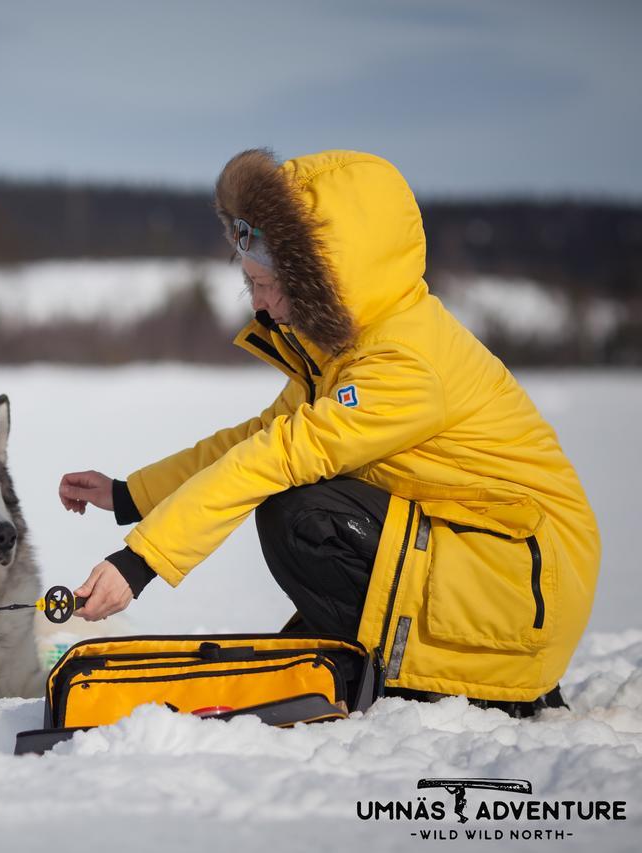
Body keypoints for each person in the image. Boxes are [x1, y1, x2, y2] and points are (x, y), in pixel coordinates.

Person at [59, 149, 598, 713]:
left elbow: (275, 457)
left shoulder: (404, 365)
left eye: (271, 285)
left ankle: (445, 676)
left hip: (520, 597)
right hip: (486, 565)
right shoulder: (352, 350)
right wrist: (130, 494)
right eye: (251, 284)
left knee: (303, 515)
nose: (262, 307)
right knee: (298, 499)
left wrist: (139, 563)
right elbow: (256, 437)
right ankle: (370, 656)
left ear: (327, 277)